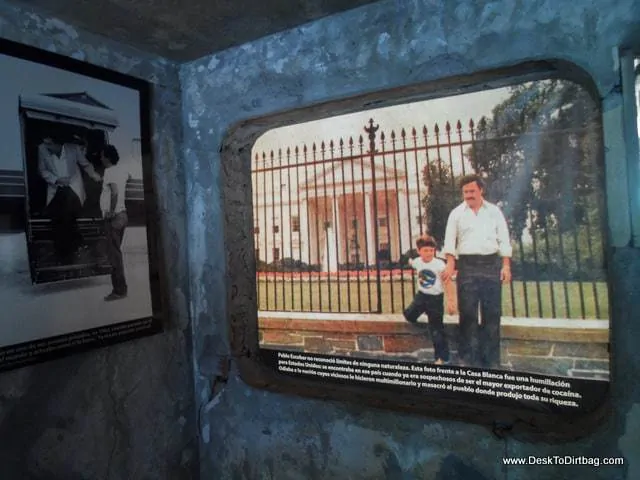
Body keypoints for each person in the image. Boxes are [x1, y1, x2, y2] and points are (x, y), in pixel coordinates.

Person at [442, 174, 512, 369]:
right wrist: (450, 265)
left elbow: (504, 240)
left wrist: (505, 265)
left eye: (472, 191)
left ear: (481, 190)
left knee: (492, 314)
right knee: (468, 314)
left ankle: (492, 362)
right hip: (467, 266)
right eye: (465, 192)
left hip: (491, 265)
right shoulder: (456, 214)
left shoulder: (494, 212)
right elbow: (450, 242)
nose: (468, 195)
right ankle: (468, 359)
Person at [37, 134, 102, 262]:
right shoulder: (42, 149)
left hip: (73, 187)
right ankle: (64, 250)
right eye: (45, 143)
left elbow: (85, 164)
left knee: (68, 215)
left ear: (59, 145)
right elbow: (42, 170)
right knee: (56, 217)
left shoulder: (73, 148)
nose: (47, 147)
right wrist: (56, 180)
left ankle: (70, 250)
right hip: (56, 188)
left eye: (50, 144)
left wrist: (95, 175)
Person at [403, 234, 450, 365]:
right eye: (425, 250)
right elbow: (411, 262)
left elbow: (448, 282)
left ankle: (441, 357)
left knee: (436, 329)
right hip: (421, 296)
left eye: (431, 250)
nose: (429, 253)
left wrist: (452, 301)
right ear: (419, 251)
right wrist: (409, 261)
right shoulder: (417, 261)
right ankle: (422, 312)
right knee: (409, 315)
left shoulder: (439, 264)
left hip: (435, 299)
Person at [99, 144, 129, 301]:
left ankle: (119, 291)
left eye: (102, 155)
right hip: (123, 215)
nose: (101, 158)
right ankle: (120, 289)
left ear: (108, 157)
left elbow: (115, 192)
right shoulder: (121, 171)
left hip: (114, 217)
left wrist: (110, 211)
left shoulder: (109, 171)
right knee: (116, 253)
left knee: (114, 255)